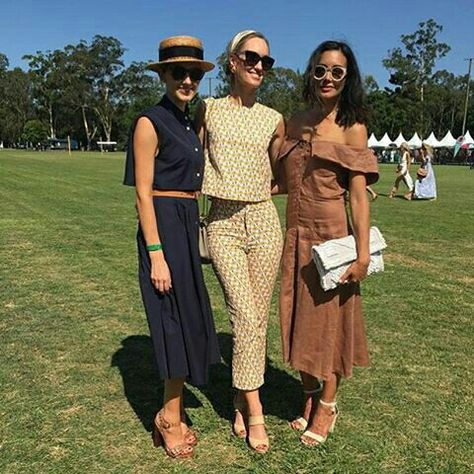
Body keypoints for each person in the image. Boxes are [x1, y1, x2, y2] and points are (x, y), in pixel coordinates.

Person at [273, 40, 378, 446]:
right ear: (311, 73)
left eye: (337, 71)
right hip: (295, 235)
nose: (327, 78)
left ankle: (328, 407)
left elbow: (357, 196)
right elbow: (284, 180)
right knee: (298, 318)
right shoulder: (296, 121)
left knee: (330, 325)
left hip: (333, 238)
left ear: (347, 77)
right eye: (320, 69)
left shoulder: (354, 127)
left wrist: (363, 253)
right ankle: (310, 394)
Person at [123, 36, 220, 459]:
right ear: (162, 75)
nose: (186, 79)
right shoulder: (150, 121)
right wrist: (157, 253)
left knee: (187, 317)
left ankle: (171, 410)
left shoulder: (187, 122)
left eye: (194, 74)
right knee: (170, 320)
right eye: (177, 72)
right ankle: (169, 418)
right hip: (162, 227)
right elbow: (143, 194)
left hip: (185, 224)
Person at [195, 30, 285, 453]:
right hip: (223, 222)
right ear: (232, 61)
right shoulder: (207, 110)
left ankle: (239, 397)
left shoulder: (273, 118)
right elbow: (190, 163)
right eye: (251, 57)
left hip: (265, 221)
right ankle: (256, 413)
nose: (259, 66)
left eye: (266, 61)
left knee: (256, 318)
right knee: (244, 315)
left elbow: (283, 175)